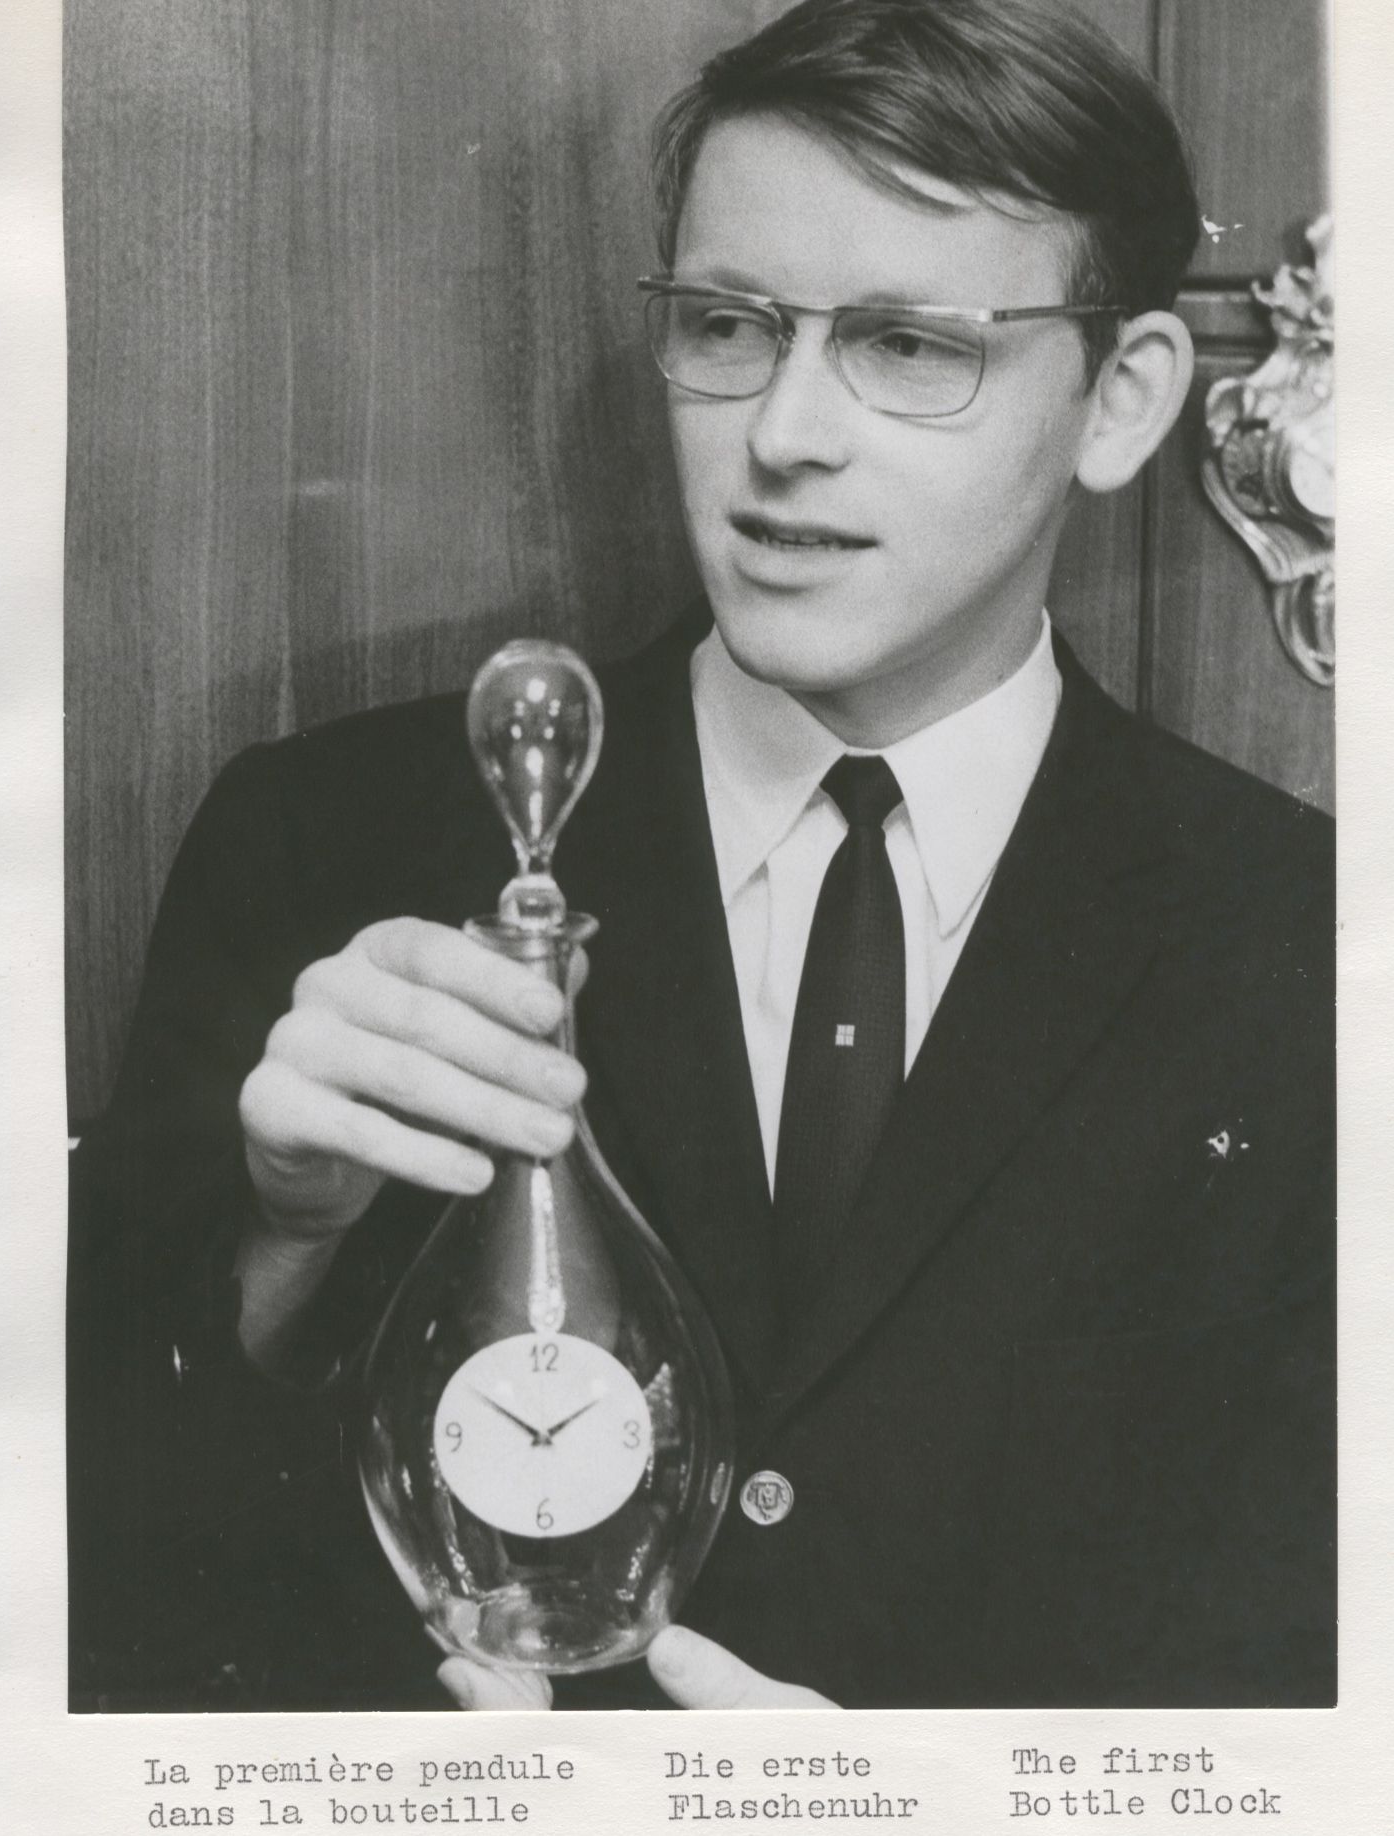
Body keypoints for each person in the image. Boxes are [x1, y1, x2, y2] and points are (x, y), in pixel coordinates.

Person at [68, 0, 1334, 1713]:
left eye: (906, 346)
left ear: (1120, 401)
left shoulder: (1310, 950)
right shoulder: (327, 842)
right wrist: (285, 1243)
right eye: (731, 324)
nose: (783, 434)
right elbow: (87, 1611)